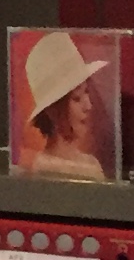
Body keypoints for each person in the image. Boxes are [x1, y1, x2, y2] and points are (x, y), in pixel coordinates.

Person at [18, 29, 114, 179]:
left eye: (87, 92)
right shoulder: (39, 168)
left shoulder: (91, 164)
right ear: (53, 110)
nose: (88, 106)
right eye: (76, 98)